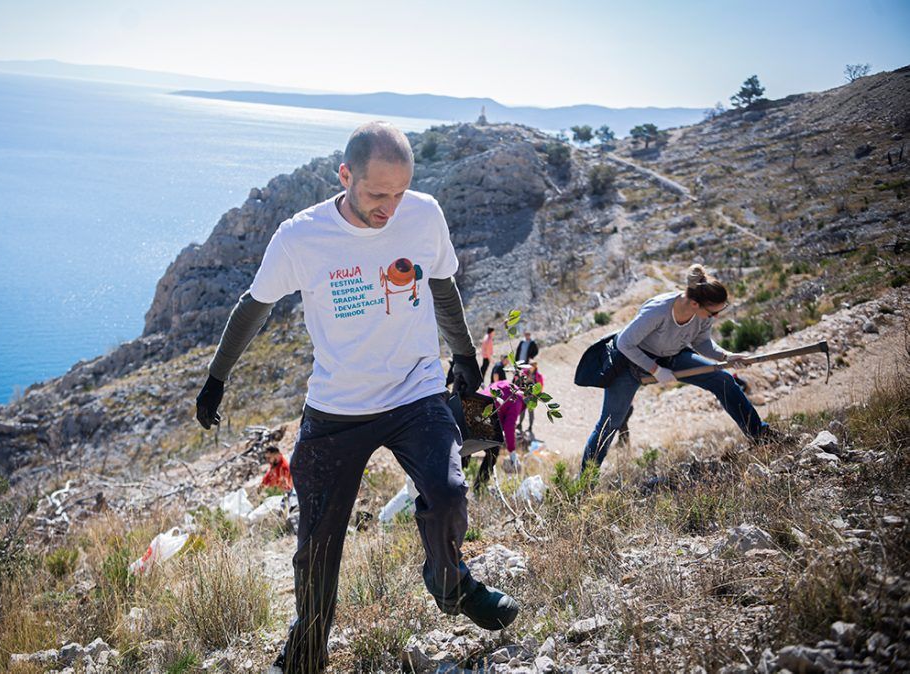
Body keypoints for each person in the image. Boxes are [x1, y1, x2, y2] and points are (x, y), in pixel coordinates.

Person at [194, 122, 518, 673]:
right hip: (337, 410)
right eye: (376, 194)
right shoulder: (301, 236)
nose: (390, 207)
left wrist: (463, 355)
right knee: (318, 550)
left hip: (416, 393)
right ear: (345, 176)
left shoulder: (424, 213)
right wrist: (217, 377)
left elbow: (440, 282)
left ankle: (451, 584)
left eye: (399, 192)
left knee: (446, 493)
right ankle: (306, 654)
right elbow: (255, 305)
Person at [581, 264, 769, 471]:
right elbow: (624, 343)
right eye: (714, 312)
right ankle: (585, 482)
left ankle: (760, 436)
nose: (716, 317)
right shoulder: (658, 310)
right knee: (610, 423)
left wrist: (726, 355)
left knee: (722, 379)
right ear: (695, 304)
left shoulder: (702, 315)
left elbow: (702, 343)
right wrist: (655, 370)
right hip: (629, 360)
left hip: (671, 355)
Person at [515, 360, 545, 436]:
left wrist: (538, 395)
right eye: (530, 366)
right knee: (522, 411)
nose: (530, 368)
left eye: (532, 366)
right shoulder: (524, 373)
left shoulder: (538, 376)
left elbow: (540, 387)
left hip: (532, 396)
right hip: (524, 395)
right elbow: (518, 382)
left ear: (535, 367)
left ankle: (530, 426)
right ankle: (520, 424)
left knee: (531, 412)